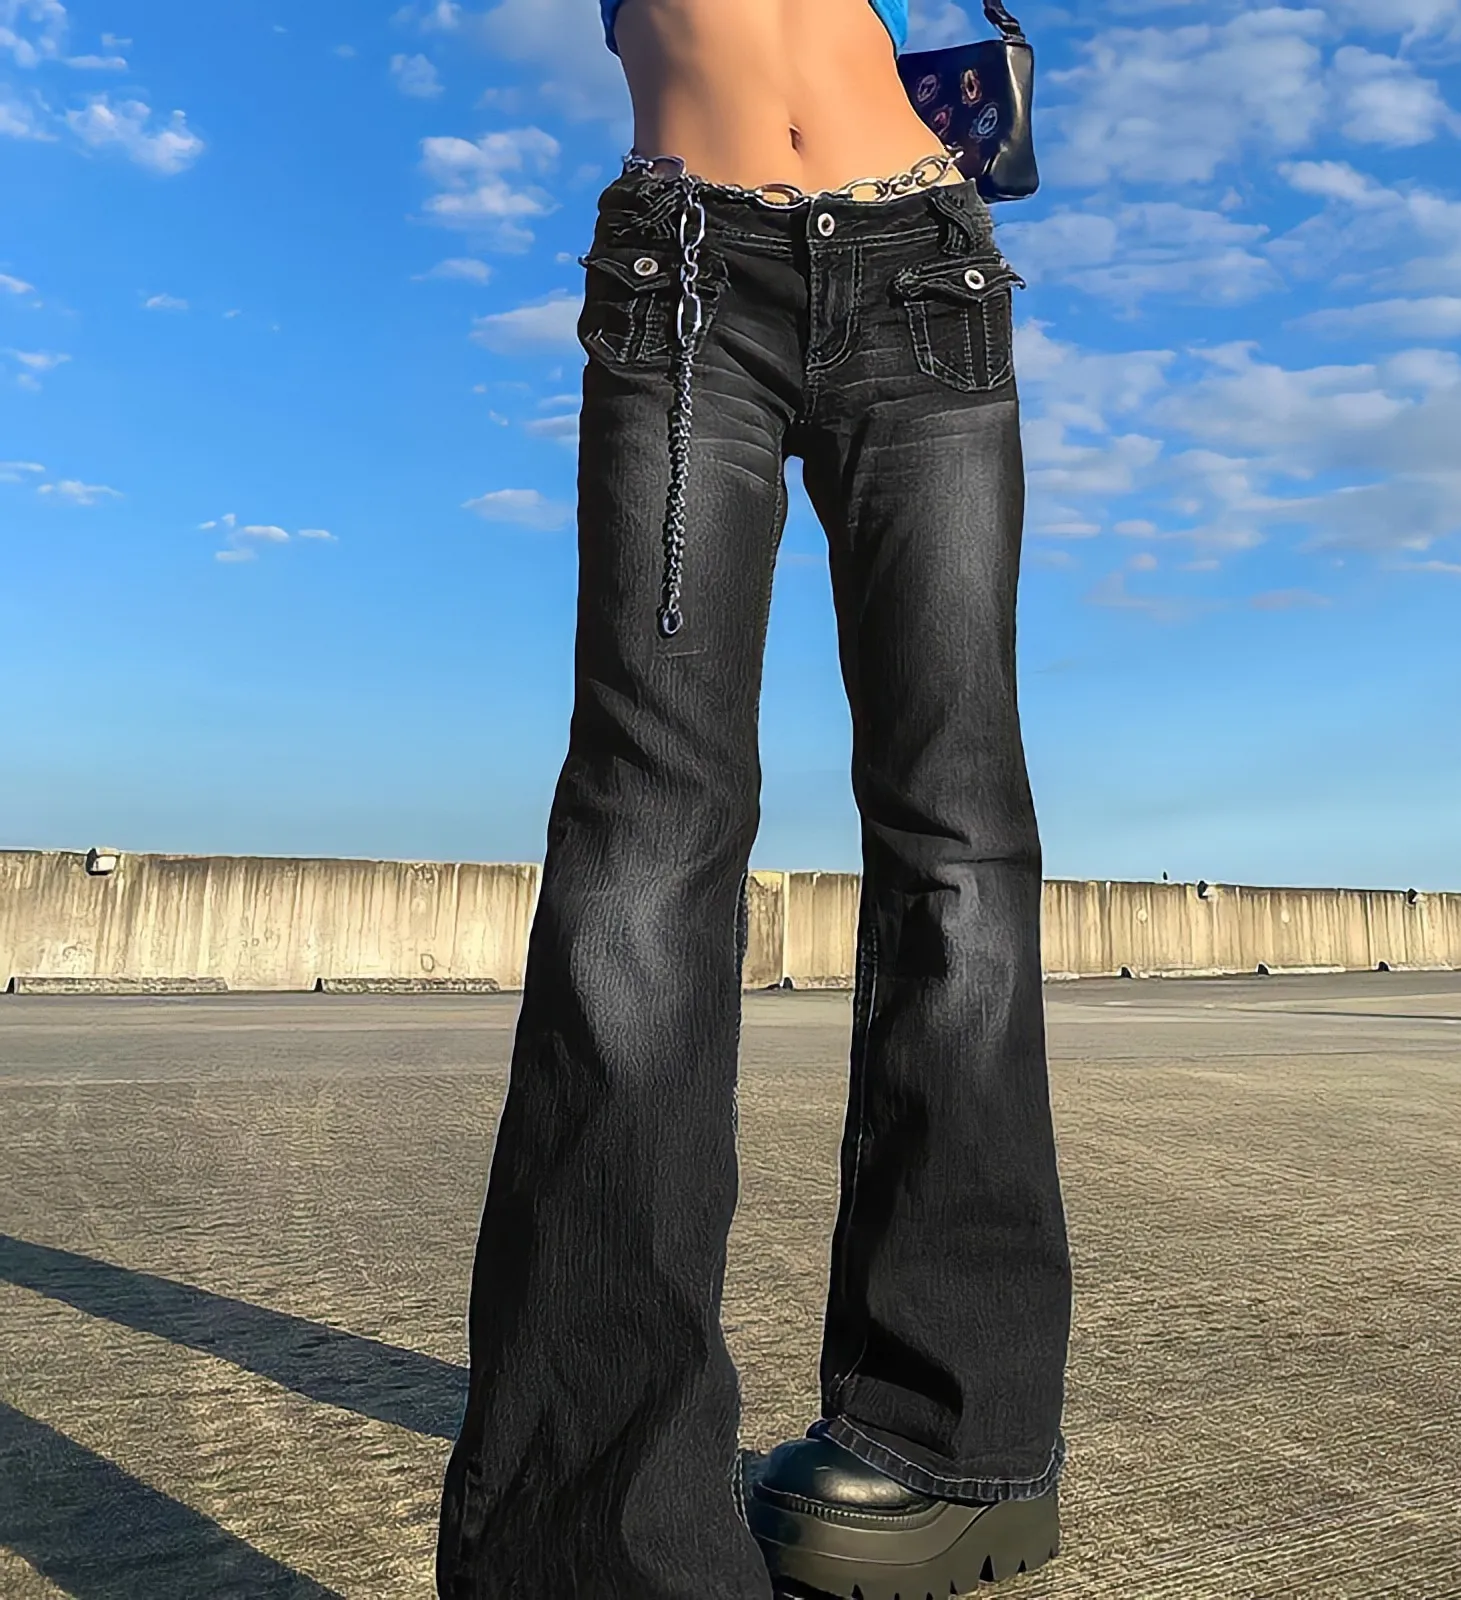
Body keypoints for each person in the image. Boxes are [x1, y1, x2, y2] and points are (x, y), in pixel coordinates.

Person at [435, 0, 1073, 1594]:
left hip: (925, 265)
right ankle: (602, 1539)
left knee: (961, 848)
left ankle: (956, 1444)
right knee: (645, 840)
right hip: (686, 276)